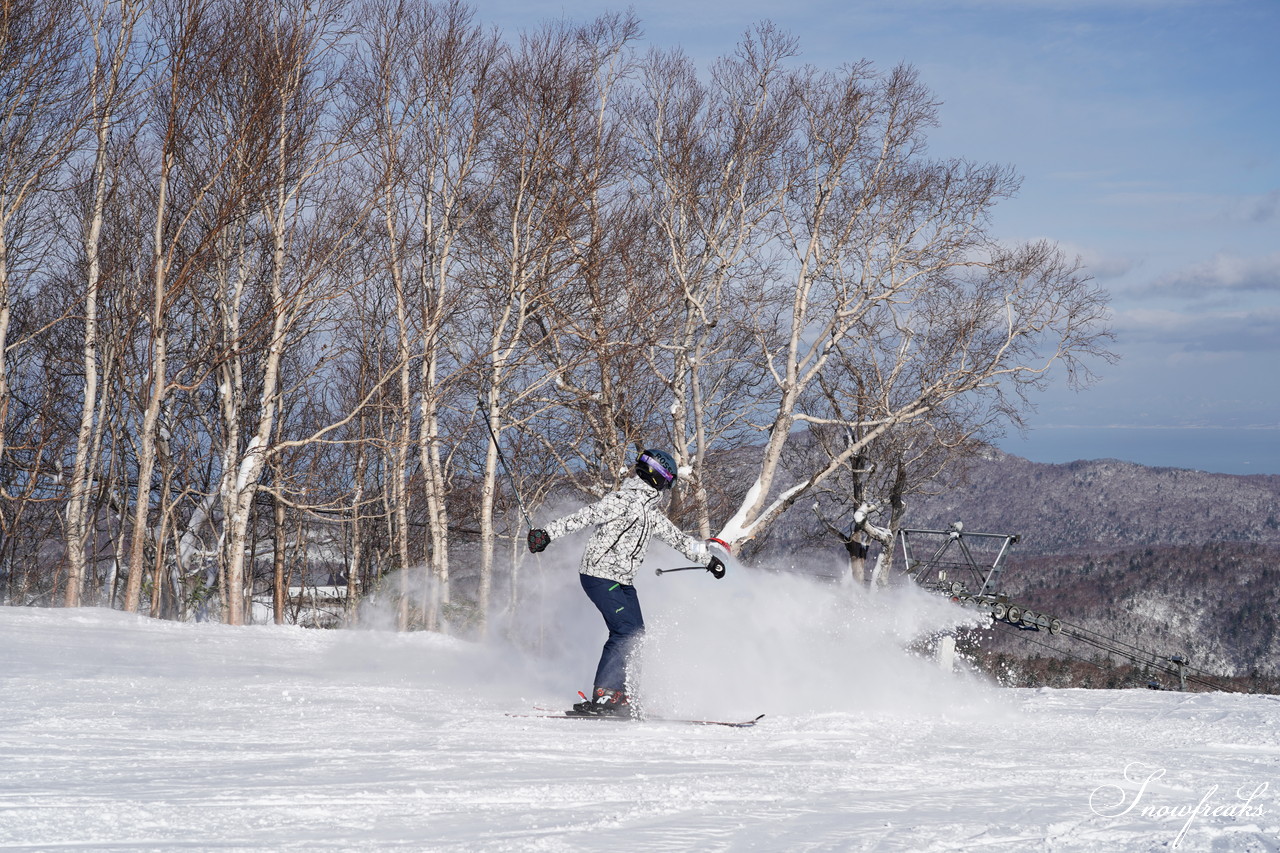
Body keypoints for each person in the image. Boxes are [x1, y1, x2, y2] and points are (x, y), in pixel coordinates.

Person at [527, 448, 728, 717]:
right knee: (624, 632)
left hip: (622, 580)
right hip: (599, 575)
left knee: (636, 635)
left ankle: (620, 694)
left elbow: (678, 539)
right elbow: (584, 516)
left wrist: (708, 560)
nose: (668, 486)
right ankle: (605, 695)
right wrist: (546, 534)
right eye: (668, 480)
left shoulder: (650, 513)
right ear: (658, 476)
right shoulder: (623, 500)